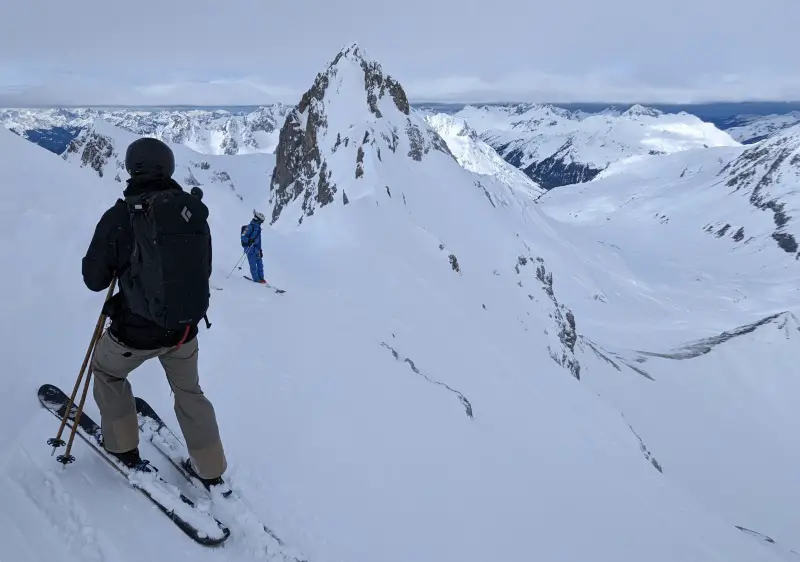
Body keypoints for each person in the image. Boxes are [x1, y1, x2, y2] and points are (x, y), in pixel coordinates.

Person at [81, 137, 228, 492]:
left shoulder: (120, 217)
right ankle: (211, 469)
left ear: (132, 168)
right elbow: (203, 268)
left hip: (137, 333)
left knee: (105, 371)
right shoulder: (190, 212)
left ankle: (122, 447)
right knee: (189, 392)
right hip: (184, 331)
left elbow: (94, 279)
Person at [241, 211, 266, 284]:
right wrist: (249, 240)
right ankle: (256, 280)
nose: (261, 223)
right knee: (253, 266)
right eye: (261, 221)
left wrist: (260, 250)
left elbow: (259, 241)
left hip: (257, 250)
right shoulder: (249, 227)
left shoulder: (258, 228)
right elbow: (243, 237)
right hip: (250, 249)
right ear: (257, 219)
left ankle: (262, 278)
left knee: (260, 265)